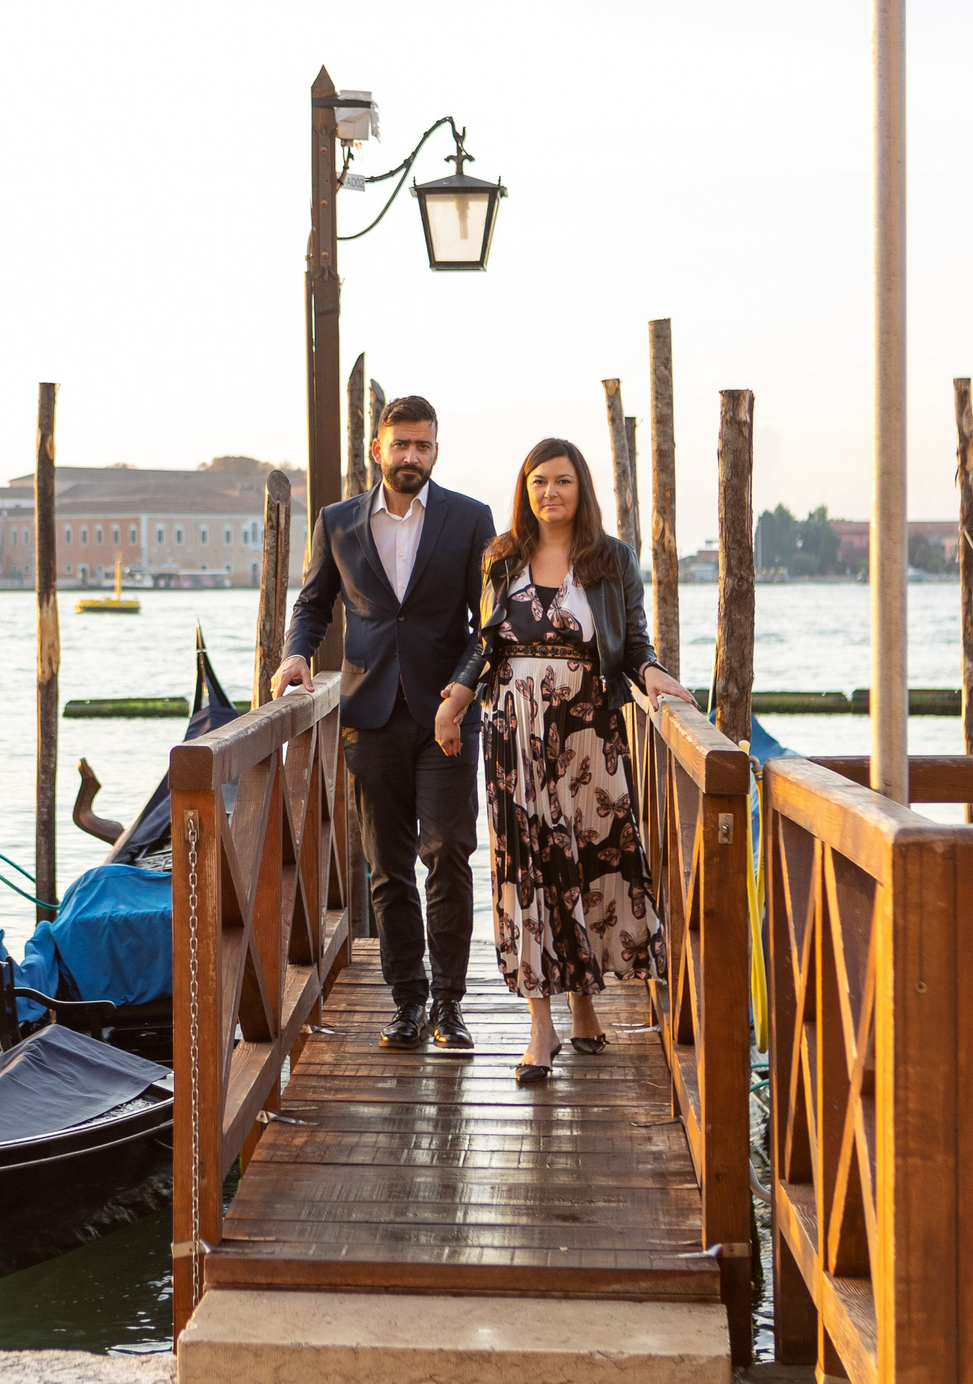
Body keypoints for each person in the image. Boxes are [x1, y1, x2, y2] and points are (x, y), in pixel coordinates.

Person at [436, 437, 693, 1084]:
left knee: (587, 864)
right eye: (537, 482)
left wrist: (655, 673)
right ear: (526, 491)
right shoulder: (503, 559)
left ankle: (586, 1005)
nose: (549, 492)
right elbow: (486, 640)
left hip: (588, 738)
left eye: (561, 481)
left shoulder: (611, 560)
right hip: (513, 736)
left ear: (582, 488)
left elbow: (632, 640)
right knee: (528, 872)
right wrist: (455, 696)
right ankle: (540, 1027)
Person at [272, 395, 497, 1052]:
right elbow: (313, 603)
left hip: (448, 716)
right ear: (377, 449)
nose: (411, 456)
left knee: (448, 854)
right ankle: (407, 1002)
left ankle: (449, 1007)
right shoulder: (337, 521)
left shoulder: (469, 519)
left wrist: (461, 690)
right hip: (368, 717)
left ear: (436, 449)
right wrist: (295, 653)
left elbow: (488, 624)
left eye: (423, 445)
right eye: (400, 445)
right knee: (387, 869)